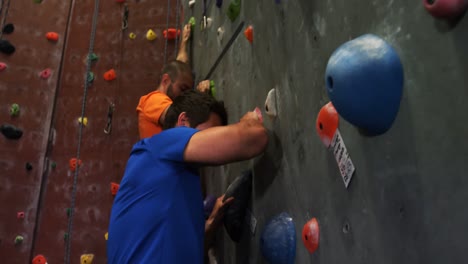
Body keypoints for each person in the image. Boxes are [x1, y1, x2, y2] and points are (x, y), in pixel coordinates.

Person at [108, 90, 268, 263]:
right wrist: (249, 121)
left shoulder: (175, 183)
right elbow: (255, 138)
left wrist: (209, 225)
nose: (215, 139)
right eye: (211, 132)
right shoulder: (159, 146)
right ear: (183, 122)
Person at [137, 24, 211, 139]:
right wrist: (201, 97)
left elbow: (180, 69)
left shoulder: (170, 93)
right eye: (182, 89)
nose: (185, 94)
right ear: (165, 80)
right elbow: (178, 119)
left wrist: (184, 43)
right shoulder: (153, 100)